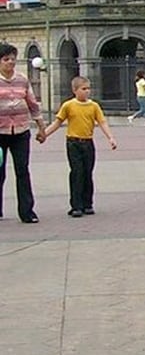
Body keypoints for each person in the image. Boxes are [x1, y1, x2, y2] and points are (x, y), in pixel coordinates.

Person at [39, 75, 117, 217]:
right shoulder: (68, 105)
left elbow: (102, 122)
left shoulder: (94, 106)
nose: (87, 91)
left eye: (88, 88)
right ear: (75, 90)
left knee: (88, 173)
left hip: (88, 143)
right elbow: (58, 122)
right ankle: (76, 205)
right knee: (77, 173)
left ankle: (87, 204)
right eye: (83, 89)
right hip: (73, 143)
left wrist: (110, 138)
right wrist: (44, 134)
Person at [0, 42, 47, 223]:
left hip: (20, 131)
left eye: (13, 59)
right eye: (6, 59)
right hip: (1, 132)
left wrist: (41, 127)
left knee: (22, 170)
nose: (10, 62)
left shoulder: (22, 80)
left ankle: (27, 211)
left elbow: (33, 105)